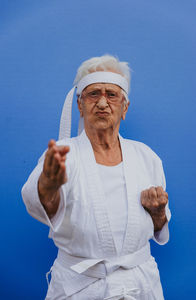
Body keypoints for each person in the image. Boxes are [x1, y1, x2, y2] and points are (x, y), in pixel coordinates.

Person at [22, 54, 171, 300]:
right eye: (93, 94)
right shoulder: (62, 155)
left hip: (139, 285)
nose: (102, 103)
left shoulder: (146, 157)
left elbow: (160, 227)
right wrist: (48, 186)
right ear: (80, 105)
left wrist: (157, 213)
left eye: (111, 95)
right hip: (80, 287)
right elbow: (42, 207)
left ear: (125, 107)